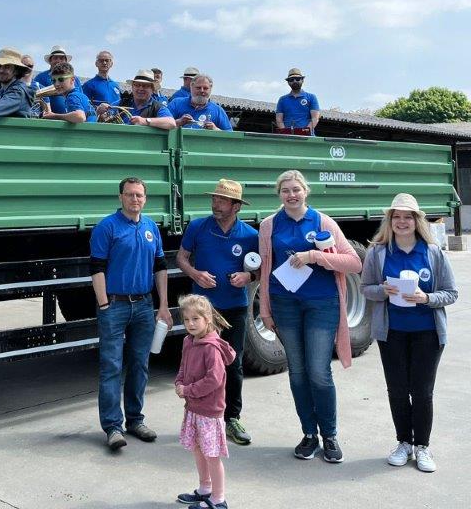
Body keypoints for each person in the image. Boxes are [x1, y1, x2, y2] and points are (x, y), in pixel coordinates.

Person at [258, 169, 362, 463]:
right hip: (284, 304)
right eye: (285, 190)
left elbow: (354, 263)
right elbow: (265, 269)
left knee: (318, 372)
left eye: (296, 189)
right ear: (279, 194)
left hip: (322, 304)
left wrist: (315, 256)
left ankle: (329, 435)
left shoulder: (323, 222)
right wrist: (264, 309)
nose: (291, 195)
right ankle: (309, 434)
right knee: (298, 372)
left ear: (306, 191)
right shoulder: (269, 225)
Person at [361, 193, 458, 473]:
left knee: (422, 392)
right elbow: (365, 288)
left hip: (427, 333)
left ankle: (422, 447)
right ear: (389, 221)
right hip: (392, 333)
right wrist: (383, 290)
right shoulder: (378, 252)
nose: (401, 222)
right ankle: (403, 442)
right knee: (398, 390)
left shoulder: (432, 252)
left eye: (407, 217)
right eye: (397, 217)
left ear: (417, 221)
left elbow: (451, 293)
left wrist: (426, 298)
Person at [90, 177, 173, 449]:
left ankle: (136, 420)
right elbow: (97, 268)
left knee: (140, 364)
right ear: (120, 197)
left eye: (139, 195)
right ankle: (113, 427)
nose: (134, 199)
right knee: (111, 366)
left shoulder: (151, 227)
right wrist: (104, 304)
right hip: (114, 306)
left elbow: (160, 266)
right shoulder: (107, 227)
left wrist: (163, 305)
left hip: (144, 306)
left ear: (145, 199)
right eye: (129, 194)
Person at [176, 179, 259, 447]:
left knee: (233, 364)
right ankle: (198, 418)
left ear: (236, 206)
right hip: (203, 311)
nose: (215, 204)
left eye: (222, 200)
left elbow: (260, 269)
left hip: (235, 308)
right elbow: (181, 258)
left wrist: (248, 277)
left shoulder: (250, 235)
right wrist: (195, 274)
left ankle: (231, 418)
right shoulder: (198, 226)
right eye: (214, 199)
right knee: (199, 365)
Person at [175, 294, 236, 509]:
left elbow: (214, 379)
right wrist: (179, 382)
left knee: (212, 455)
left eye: (195, 319)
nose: (190, 324)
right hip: (194, 407)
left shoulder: (211, 348)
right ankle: (205, 489)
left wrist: (188, 390)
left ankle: (219, 499)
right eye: (186, 319)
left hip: (209, 411)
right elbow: (183, 367)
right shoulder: (188, 341)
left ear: (207, 319)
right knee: (198, 449)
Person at [101, 70, 176, 129]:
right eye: (137, 85)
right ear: (132, 87)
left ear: (152, 89)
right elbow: (104, 118)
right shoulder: (120, 104)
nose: (140, 88)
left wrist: (145, 121)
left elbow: (171, 123)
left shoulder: (157, 107)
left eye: (145, 86)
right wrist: (100, 113)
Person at [169, 73, 233, 131]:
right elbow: (163, 123)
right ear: (191, 87)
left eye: (205, 88)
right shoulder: (176, 103)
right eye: (198, 88)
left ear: (210, 89)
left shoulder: (217, 110)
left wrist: (215, 129)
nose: (202, 91)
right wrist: (178, 122)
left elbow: (230, 135)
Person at [32, 45, 84, 115]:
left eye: (61, 58)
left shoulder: (75, 79)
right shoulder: (40, 77)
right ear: (50, 61)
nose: (58, 60)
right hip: (48, 119)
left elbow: (80, 97)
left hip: (73, 119)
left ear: (66, 61)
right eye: (55, 58)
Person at [276, 67, 321, 135]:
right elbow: (279, 120)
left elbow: (315, 118)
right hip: (288, 138)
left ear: (302, 80)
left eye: (297, 79)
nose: (294, 81)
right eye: (291, 80)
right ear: (288, 82)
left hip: (307, 138)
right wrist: (286, 133)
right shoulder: (282, 100)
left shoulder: (311, 97)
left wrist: (304, 132)